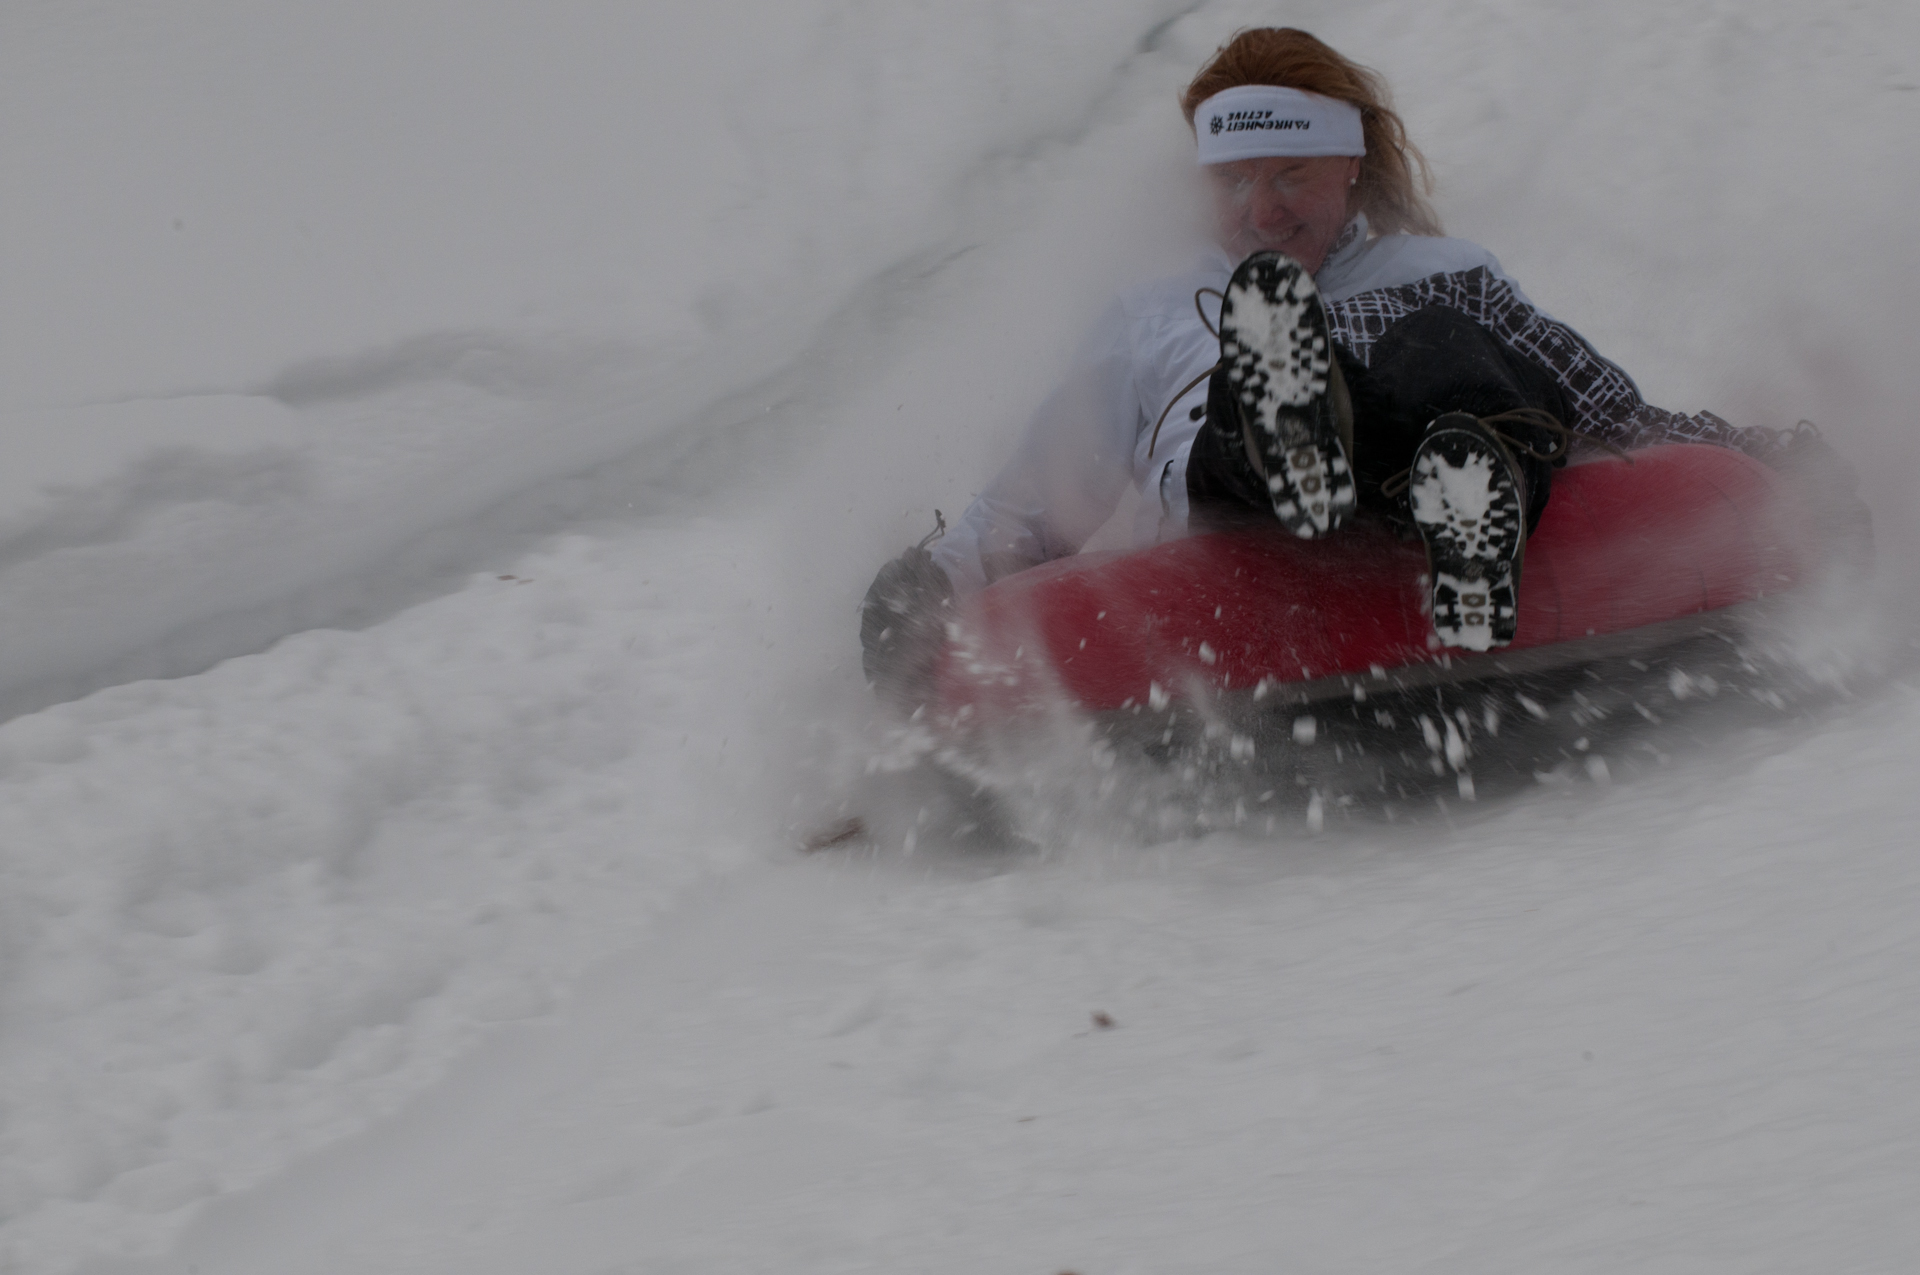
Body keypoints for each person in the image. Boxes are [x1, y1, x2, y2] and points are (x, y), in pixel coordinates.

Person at [860, 27, 1854, 707]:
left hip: (1430, 472)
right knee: (1247, 393)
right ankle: (1290, 429)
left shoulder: (1444, 272)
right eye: (1235, 181)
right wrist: (928, 584)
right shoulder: (1152, 312)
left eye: (1291, 173)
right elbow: (1031, 504)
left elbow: (1612, 413)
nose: (1263, 209)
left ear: (1349, 164)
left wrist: (1771, 465)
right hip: (1244, 513)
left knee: (1444, 348)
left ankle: (1468, 491)